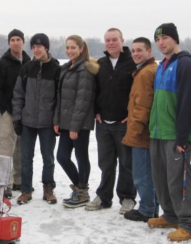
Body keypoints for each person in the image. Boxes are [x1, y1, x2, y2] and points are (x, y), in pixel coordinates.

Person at [147, 23, 191, 242]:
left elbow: (186, 102)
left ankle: (187, 223)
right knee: (161, 178)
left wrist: (182, 136)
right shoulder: (162, 65)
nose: (161, 42)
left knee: (178, 181)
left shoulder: (185, 63)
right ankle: (170, 215)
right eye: (157, 39)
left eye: (164, 37)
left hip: (175, 135)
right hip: (157, 132)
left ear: (174, 38)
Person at [85, 28, 137, 214]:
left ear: (122, 40)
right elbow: (95, 90)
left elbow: (137, 93)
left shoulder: (132, 64)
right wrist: (96, 112)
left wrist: (132, 114)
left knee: (126, 163)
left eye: (114, 39)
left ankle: (127, 197)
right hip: (103, 123)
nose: (111, 43)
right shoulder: (101, 63)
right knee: (106, 163)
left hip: (123, 123)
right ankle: (104, 197)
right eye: (107, 40)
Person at [12, 33, 60, 205]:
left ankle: (48, 189)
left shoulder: (56, 69)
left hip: (47, 123)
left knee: (48, 158)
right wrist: (17, 118)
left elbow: (59, 99)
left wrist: (56, 120)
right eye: (33, 47)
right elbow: (18, 95)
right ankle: (26, 190)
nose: (36, 50)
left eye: (39, 46)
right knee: (26, 158)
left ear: (46, 47)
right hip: (28, 122)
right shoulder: (26, 68)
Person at [54, 35, 98, 208]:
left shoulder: (86, 70)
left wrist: (75, 127)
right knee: (62, 157)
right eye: (68, 47)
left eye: (73, 47)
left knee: (81, 156)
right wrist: (57, 120)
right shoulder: (66, 68)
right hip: (65, 122)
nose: (70, 51)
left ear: (81, 49)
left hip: (80, 124)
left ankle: (81, 192)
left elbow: (83, 100)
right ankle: (81, 189)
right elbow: (60, 97)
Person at [0, 29, 31, 198]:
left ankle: (19, 180)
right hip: (8, 112)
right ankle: (4, 182)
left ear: (23, 42)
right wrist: (5, 108)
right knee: (6, 148)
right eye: (12, 40)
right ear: (9, 43)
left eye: (18, 39)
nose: (15, 42)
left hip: (26, 113)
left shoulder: (29, 62)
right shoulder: (1, 64)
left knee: (21, 148)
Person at [122, 37, 159, 222]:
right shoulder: (147, 70)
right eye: (133, 50)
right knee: (150, 174)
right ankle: (152, 207)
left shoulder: (145, 73)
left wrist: (134, 131)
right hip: (148, 131)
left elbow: (142, 106)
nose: (135, 54)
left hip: (142, 134)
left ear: (149, 52)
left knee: (142, 174)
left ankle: (146, 210)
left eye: (139, 50)